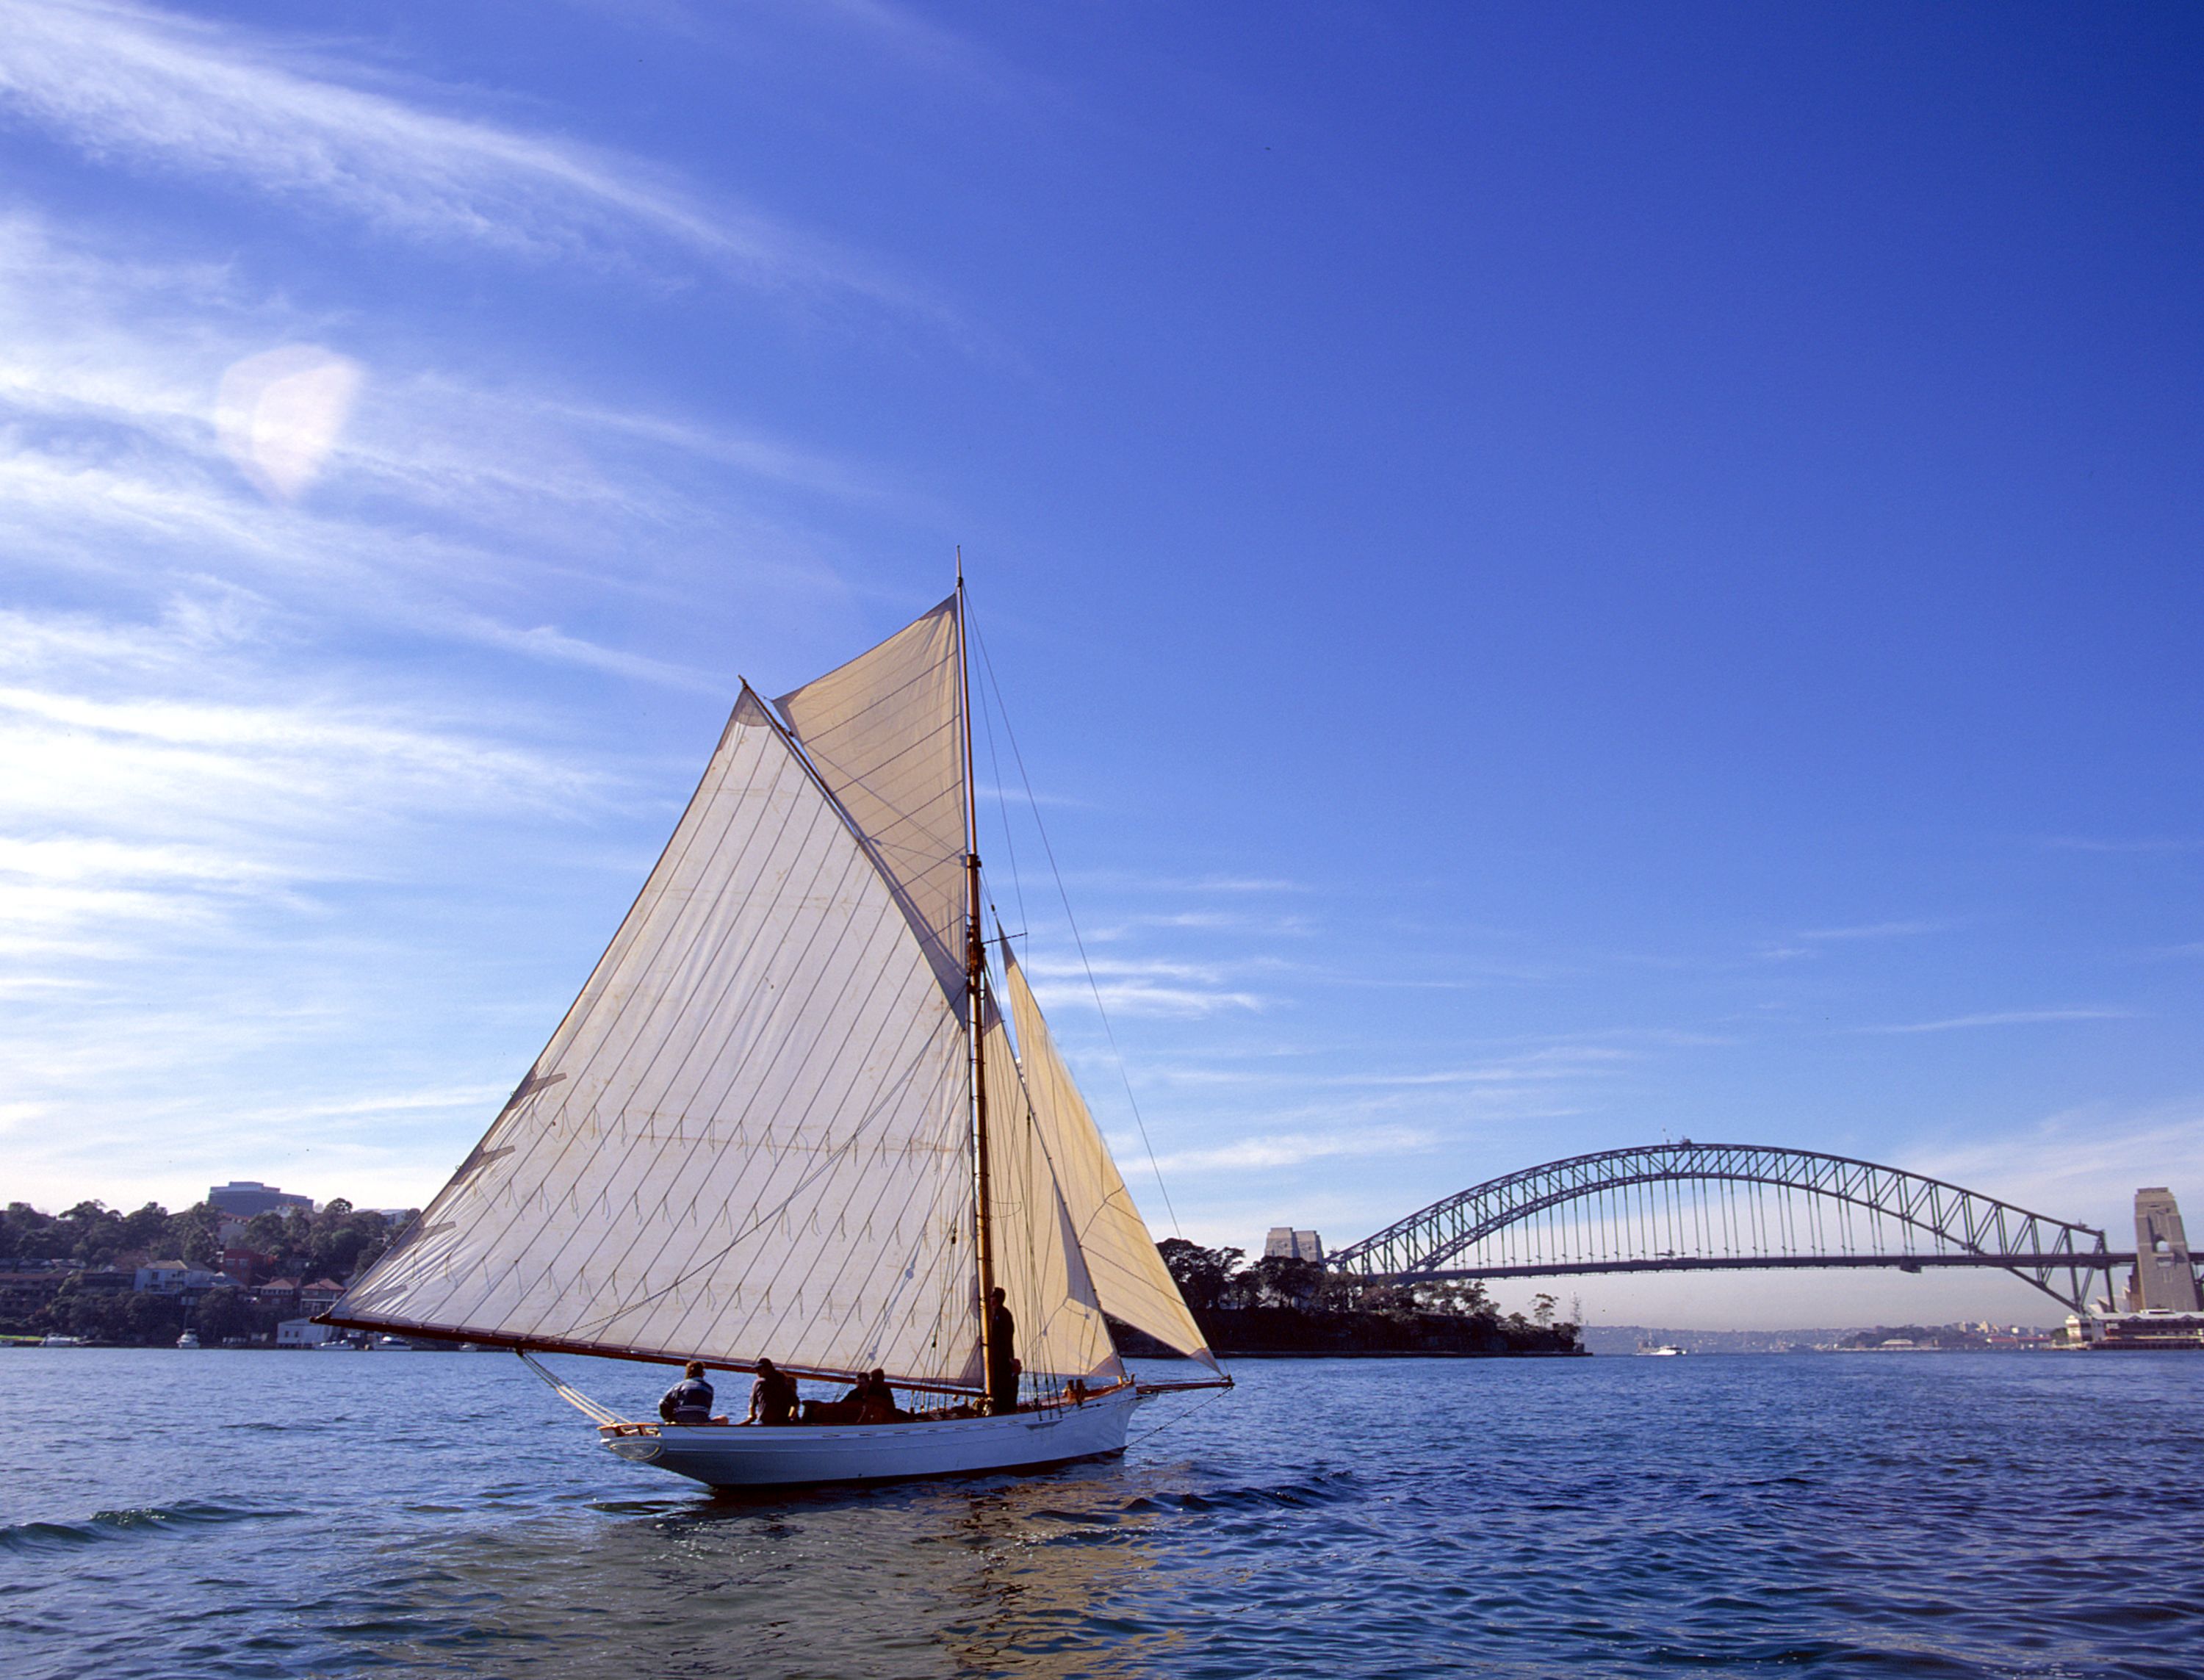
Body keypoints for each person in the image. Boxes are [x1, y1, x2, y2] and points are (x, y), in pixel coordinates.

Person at [987, 1286, 1018, 1413]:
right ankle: (1000, 1407)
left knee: (1003, 1383)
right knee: (1000, 1383)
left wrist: (1009, 1358)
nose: (990, 1299)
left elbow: (1006, 1336)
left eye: (993, 1297)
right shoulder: (999, 1314)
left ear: (996, 1300)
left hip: (1002, 1358)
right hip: (999, 1357)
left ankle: (1003, 1409)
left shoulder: (1002, 1314)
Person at [658, 1361, 714, 1425]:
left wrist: (669, 1419)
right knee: (723, 1419)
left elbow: (662, 1403)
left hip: (680, 1421)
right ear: (703, 1374)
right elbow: (707, 1409)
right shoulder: (709, 1388)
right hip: (701, 1422)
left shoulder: (678, 1386)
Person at [748, 1357, 799, 1426]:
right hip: (784, 1423)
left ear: (768, 1369)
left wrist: (752, 1417)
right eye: (756, 1370)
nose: (757, 1372)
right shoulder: (783, 1382)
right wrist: (791, 1418)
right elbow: (796, 1404)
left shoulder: (759, 1383)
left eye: (759, 1369)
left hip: (765, 1423)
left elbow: (752, 1405)